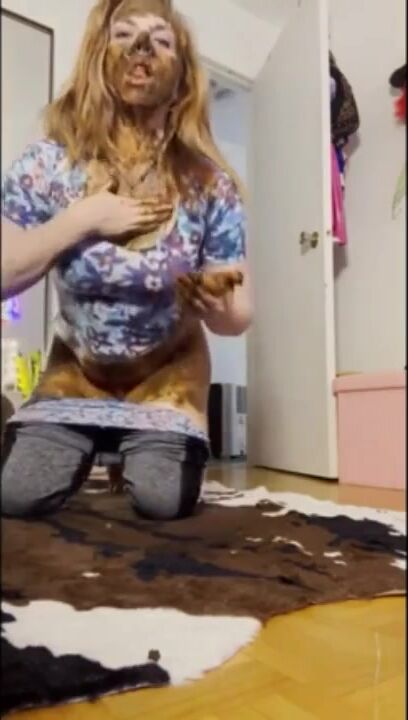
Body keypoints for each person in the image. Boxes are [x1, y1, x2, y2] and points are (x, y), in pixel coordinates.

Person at [1, 0, 251, 522]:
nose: (142, 48)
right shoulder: (48, 163)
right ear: (98, 56)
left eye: (161, 40)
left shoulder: (209, 182)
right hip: (77, 370)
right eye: (125, 35)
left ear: (181, 79)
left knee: (161, 501)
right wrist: (81, 220)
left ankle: (147, 441)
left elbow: (236, 318)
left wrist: (217, 302)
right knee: (16, 496)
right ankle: (88, 438)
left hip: (168, 374)